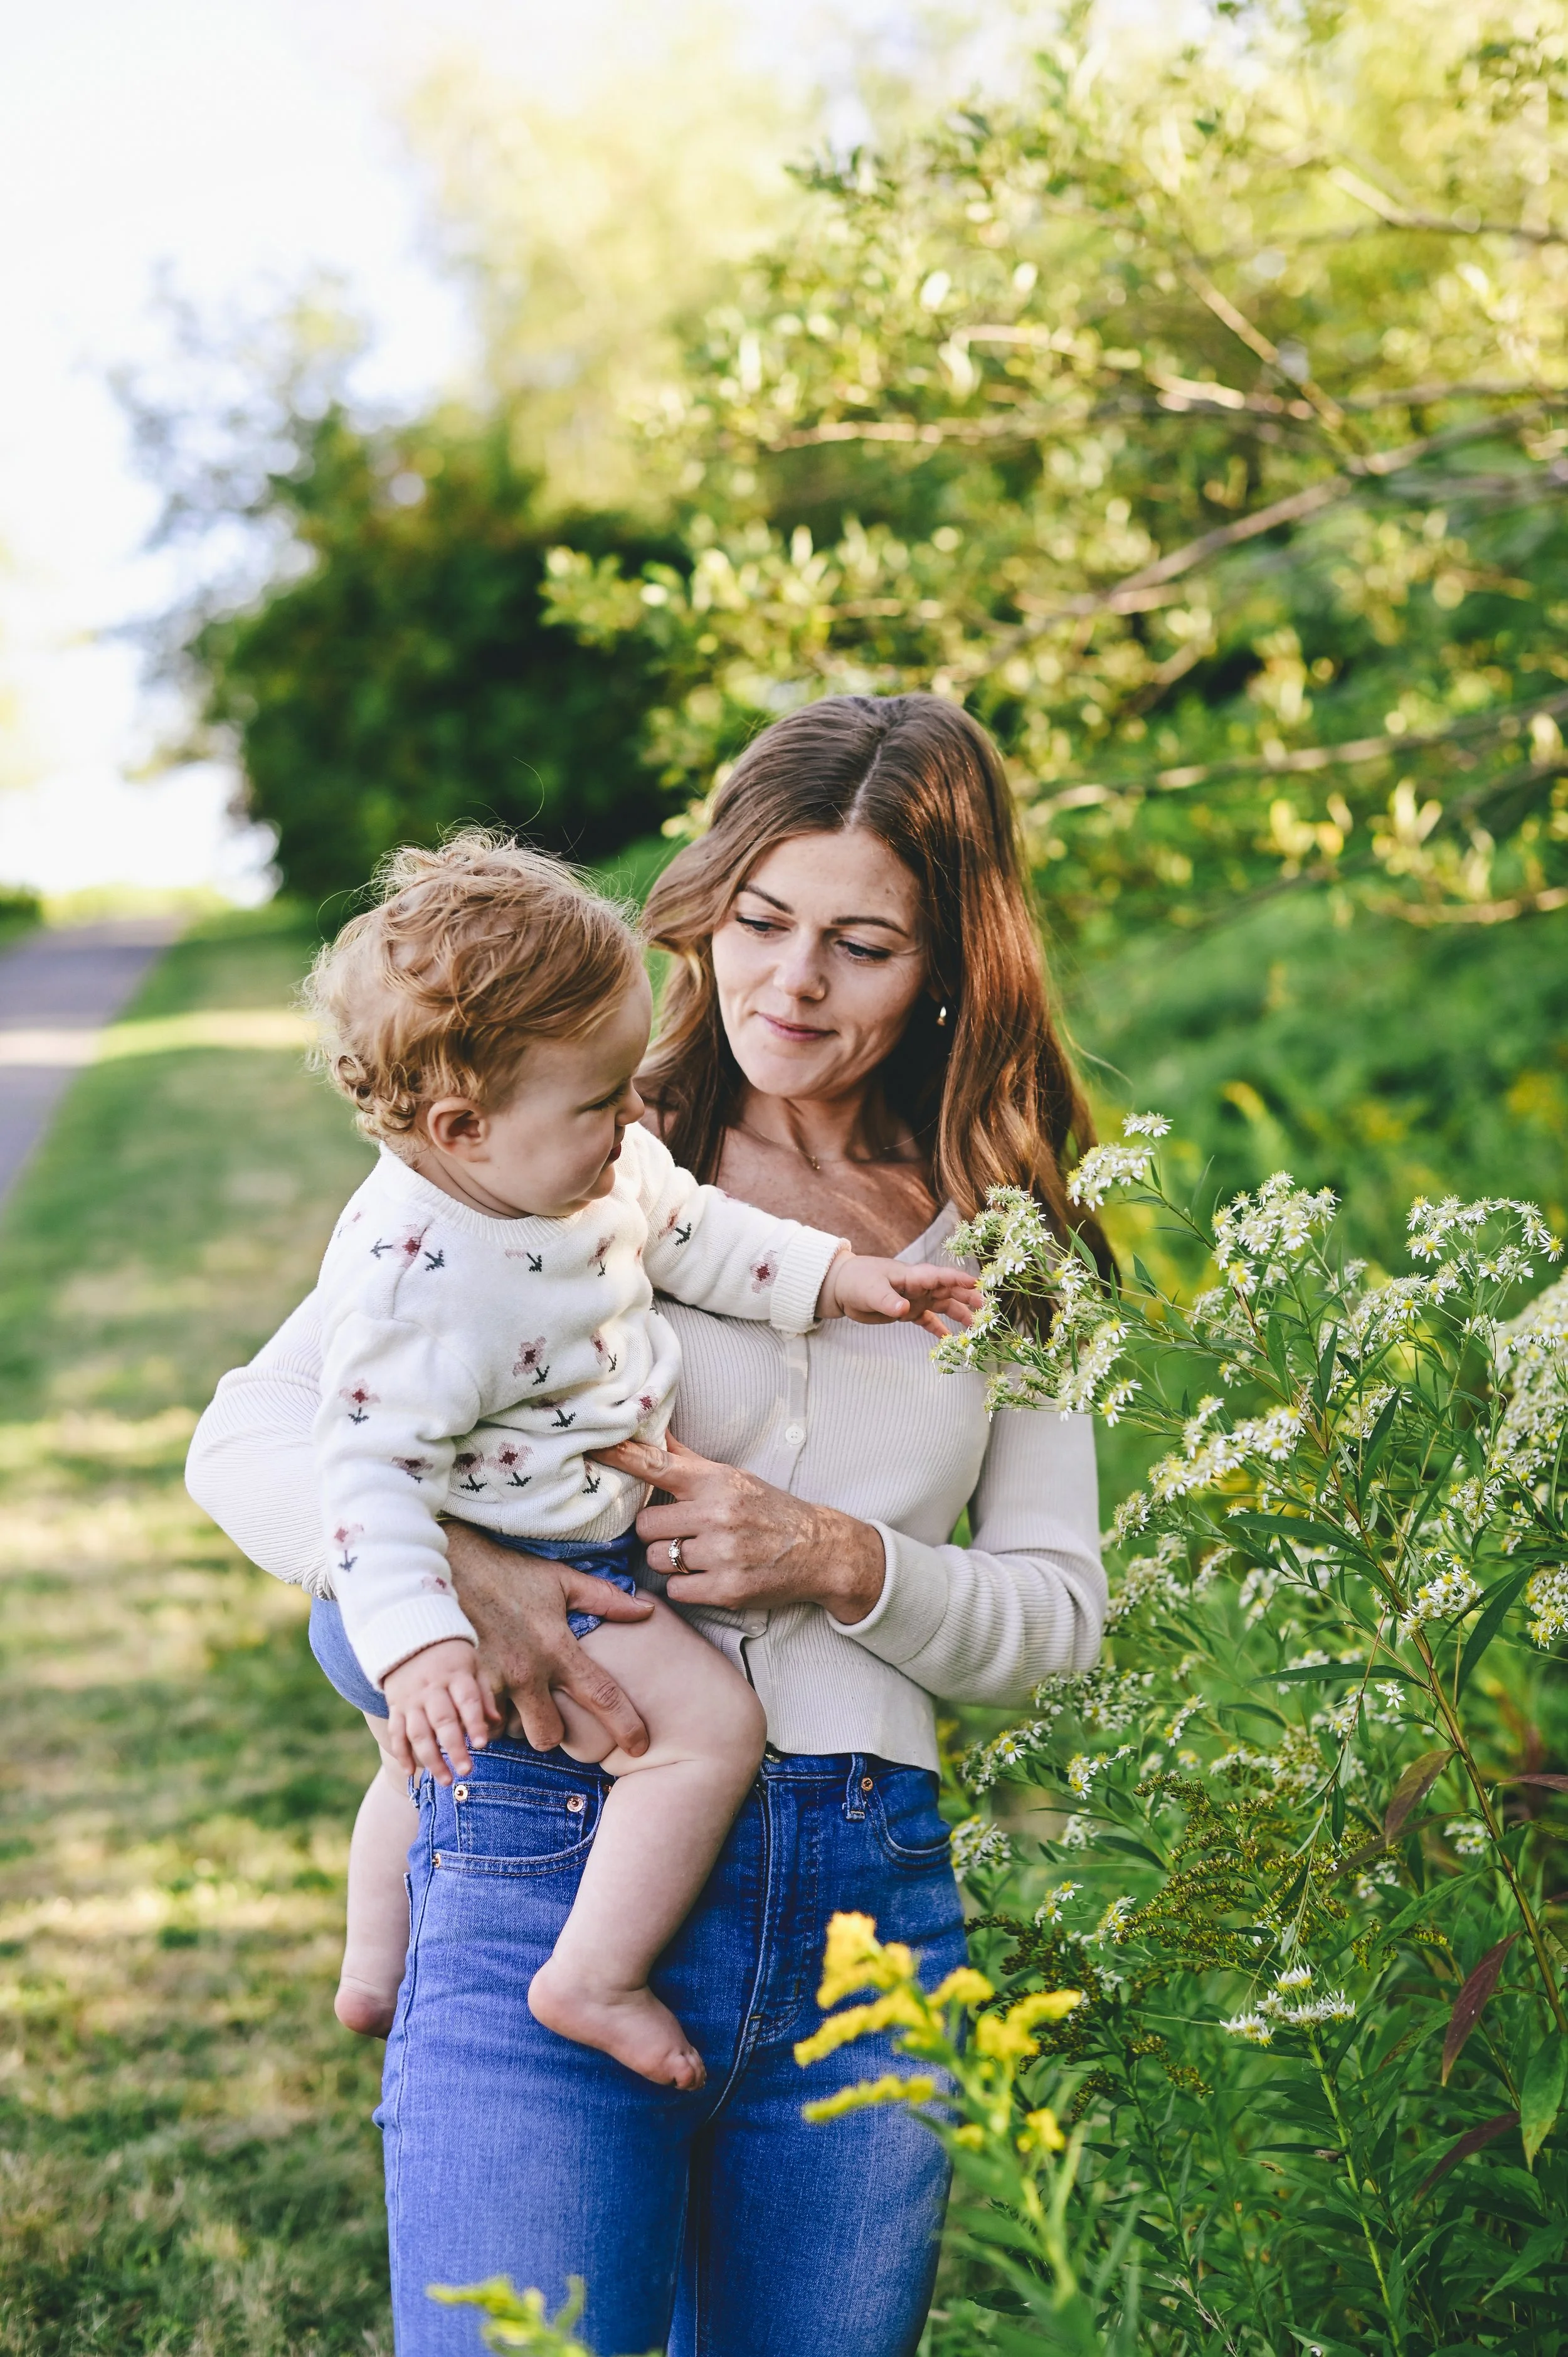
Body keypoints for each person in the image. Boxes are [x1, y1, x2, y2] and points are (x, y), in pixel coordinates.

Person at [186, 691, 1110, 2357]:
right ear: (705, 904)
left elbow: (1055, 1614)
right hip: (551, 1845)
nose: (789, 985)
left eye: (861, 945)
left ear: (955, 964)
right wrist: (480, 1584)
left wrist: (837, 1557)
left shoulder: (1011, 1244)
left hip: (861, 1916)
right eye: (758, 920)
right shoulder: (555, 1131)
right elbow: (252, 1437)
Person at [300, 833, 977, 2082]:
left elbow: (701, 1231)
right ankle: (591, 1977)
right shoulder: (418, 1283)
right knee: (703, 1729)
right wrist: (430, 1637)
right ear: (460, 1123)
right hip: (450, 1580)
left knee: (421, 1753)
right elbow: (359, 1473)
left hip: (462, 1577)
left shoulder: (565, 1175)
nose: (633, 1124)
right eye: (602, 1105)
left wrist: (846, 1281)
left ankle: (370, 1966)